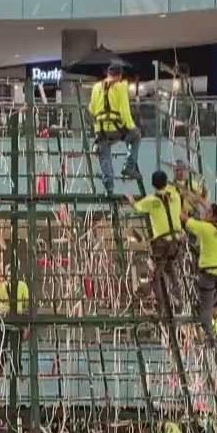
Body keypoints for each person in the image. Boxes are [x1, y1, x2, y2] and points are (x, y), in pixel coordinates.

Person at [88, 61, 140, 195]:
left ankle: (109, 188)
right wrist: (131, 127)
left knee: (104, 156)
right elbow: (124, 110)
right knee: (136, 136)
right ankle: (129, 167)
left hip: (100, 130)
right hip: (117, 129)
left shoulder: (96, 87)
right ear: (119, 75)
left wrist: (97, 130)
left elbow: (92, 109)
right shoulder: (120, 87)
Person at [136, 169, 187, 302]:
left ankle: (160, 304)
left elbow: (137, 207)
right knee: (170, 269)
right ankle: (179, 300)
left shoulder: (151, 201)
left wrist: (130, 199)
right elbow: (173, 189)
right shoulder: (175, 195)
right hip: (176, 242)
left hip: (161, 243)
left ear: (153, 184)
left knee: (155, 273)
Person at [185, 203, 217, 320]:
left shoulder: (205, 228)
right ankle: (202, 314)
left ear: (215, 216)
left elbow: (186, 220)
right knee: (205, 306)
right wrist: (201, 201)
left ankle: (209, 336)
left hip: (209, 276)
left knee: (205, 310)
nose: (205, 214)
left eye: (208, 213)